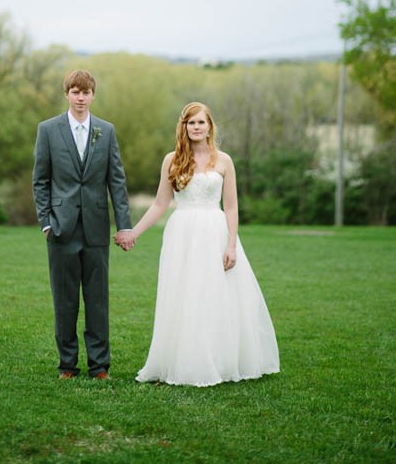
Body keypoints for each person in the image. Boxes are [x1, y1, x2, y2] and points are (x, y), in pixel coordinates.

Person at [116, 101, 280, 386]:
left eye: (200, 122)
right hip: (182, 234)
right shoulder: (172, 159)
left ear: (209, 126)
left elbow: (231, 207)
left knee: (215, 294)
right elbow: (159, 204)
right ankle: (185, 360)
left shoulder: (224, 161)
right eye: (190, 122)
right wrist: (133, 233)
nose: (195, 127)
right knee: (185, 295)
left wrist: (231, 245)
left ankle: (219, 358)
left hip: (215, 232)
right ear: (184, 127)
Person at [33, 69, 133, 380]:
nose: (80, 97)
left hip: (96, 229)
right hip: (61, 229)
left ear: (92, 95)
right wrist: (47, 222)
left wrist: (125, 225)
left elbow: (116, 181)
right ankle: (67, 365)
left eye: (86, 92)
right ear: (66, 94)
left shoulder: (106, 130)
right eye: (75, 91)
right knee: (64, 300)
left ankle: (99, 365)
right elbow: (40, 180)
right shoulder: (48, 130)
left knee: (97, 300)